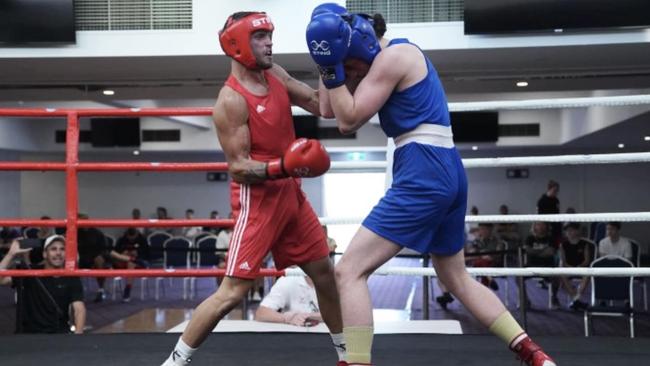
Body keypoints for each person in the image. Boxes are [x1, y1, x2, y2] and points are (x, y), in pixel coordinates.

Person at [306, 4, 555, 365]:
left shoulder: (394, 57)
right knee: (454, 275)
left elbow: (346, 121)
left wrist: (330, 66)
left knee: (349, 271)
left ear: (362, 43)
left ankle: (355, 362)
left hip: (424, 168)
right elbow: (329, 108)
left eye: (352, 64)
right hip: (444, 167)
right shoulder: (385, 56)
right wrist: (323, 58)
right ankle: (532, 353)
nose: (352, 73)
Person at [161, 11, 345, 366]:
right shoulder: (231, 100)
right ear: (237, 44)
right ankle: (175, 362)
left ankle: (347, 354)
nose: (269, 42)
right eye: (260, 36)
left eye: (269, 35)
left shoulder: (275, 74)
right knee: (232, 293)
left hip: (291, 195)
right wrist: (283, 166)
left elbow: (322, 107)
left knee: (325, 274)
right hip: (258, 201)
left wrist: (329, 65)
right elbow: (238, 167)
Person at [0, 235, 86, 334]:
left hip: (58, 332)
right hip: (29, 333)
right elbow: (1, 280)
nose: (58, 253)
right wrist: (10, 254)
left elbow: (79, 308)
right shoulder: (30, 271)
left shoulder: (71, 277)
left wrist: (78, 336)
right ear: (45, 254)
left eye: (62, 249)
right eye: (53, 249)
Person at [254, 274, 322, 326]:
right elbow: (261, 313)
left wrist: (308, 316)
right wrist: (286, 319)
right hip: (295, 338)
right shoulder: (288, 280)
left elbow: (332, 316)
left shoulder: (331, 279)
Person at [558, 223, 591, 310]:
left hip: (581, 268)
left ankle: (576, 299)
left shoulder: (585, 244)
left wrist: (579, 267)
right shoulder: (563, 245)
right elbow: (563, 261)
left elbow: (586, 260)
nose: (569, 233)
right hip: (568, 268)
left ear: (577, 231)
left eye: (571, 230)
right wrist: (571, 268)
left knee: (588, 273)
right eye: (567, 231)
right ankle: (576, 298)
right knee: (561, 272)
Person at [537, 179, 561, 244]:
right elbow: (539, 215)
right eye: (554, 191)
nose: (556, 193)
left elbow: (557, 213)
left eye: (557, 191)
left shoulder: (556, 200)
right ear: (549, 189)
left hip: (555, 226)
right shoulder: (542, 200)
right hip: (545, 226)